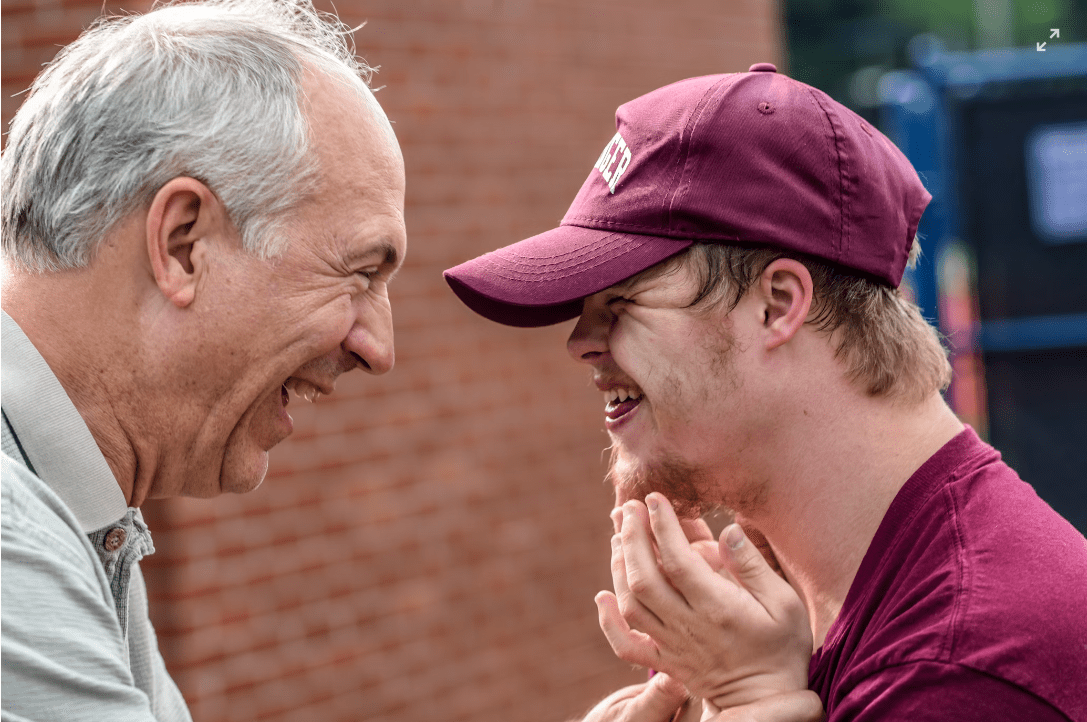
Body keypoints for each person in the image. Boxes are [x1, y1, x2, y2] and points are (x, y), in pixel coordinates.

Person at [444, 64, 1087, 721]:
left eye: (621, 301)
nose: (579, 341)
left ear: (777, 305)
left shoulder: (960, 672)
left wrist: (748, 701)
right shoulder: (834, 600)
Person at [0, 0, 406, 718]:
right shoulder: (13, 536)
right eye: (359, 274)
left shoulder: (74, 511)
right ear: (183, 244)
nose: (377, 348)